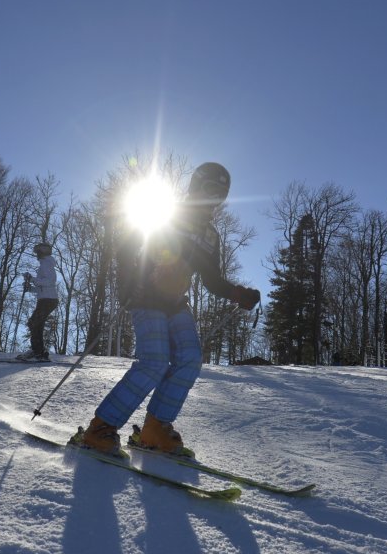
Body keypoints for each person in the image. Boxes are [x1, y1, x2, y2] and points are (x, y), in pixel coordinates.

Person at [78, 162, 260, 456]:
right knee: (155, 361)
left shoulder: (210, 236)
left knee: (190, 358)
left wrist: (238, 293)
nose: (214, 199)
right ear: (196, 188)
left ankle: (155, 428)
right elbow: (129, 244)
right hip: (146, 296)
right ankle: (101, 427)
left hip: (176, 302)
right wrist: (128, 282)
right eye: (210, 190)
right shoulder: (168, 213)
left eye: (220, 194)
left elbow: (212, 280)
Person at [17, 243, 58, 361]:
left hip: (48, 300)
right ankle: (38, 351)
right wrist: (30, 288)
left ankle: (38, 352)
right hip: (46, 299)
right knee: (36, 324)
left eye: (38, 252)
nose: (36, 255)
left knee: (34, 323)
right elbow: (43, 286)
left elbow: (50, 281)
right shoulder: (44, 264)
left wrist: (33, 279)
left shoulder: (46, 264)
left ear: (43, 252)